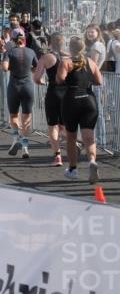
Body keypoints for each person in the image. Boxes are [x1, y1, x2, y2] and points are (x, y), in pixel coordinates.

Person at [58, 36, 103, 182]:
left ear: (70, 48)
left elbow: (60, 79)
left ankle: (73, 169)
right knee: (89, 137)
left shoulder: (66, 62)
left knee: (71, 137)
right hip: (89, 100)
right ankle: (92, 162)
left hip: (72, 100)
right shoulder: (91, 62)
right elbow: (99, 81)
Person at [1, 31, 38, 159]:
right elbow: (36, 68)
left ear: (14, 41)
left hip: (14, 87)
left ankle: (16, 138)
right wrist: (28, 68)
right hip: (27, 86)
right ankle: (25, 147)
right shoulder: (31, 52)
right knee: (26, 118)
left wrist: (10, 65)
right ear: (24, 41)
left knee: (14, 115)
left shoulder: (9, 52)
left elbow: (5, 68)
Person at [32, 32, 67, 167]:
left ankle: (58, 156)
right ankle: (71, 143)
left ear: (49, 43)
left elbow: (36, 77)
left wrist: (40, 81)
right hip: (68, 93)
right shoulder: (69, 57)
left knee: (53, 126)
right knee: (64, 125)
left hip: (53, 92)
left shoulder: (46, 57)